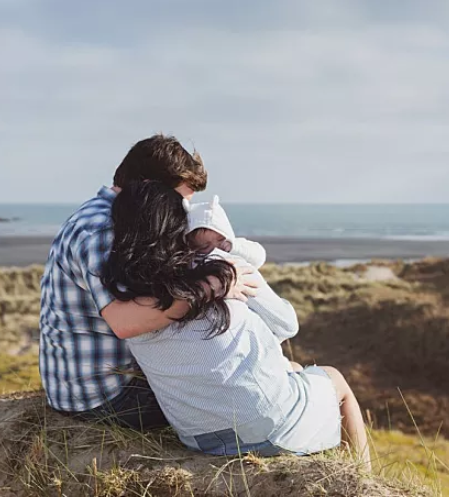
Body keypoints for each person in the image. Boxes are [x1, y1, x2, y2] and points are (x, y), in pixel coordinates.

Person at [106, 181, 372, 470]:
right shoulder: (219, 268)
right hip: (269, 427)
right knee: (336, 380)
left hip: (199, 437)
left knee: (293, 370)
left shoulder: (122, 296)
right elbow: (286, 324)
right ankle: (363, 480)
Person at [38, 135, 257, 430]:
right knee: (247, 399)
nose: (179, 213)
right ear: (149, 189)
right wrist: (211, 286)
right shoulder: (103, 229)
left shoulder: (101, 216)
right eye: (178, 201)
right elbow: (125, 321)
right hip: (107, 397)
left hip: (84, 388)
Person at [185, 195, 267, 268]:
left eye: (220, 240)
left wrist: (234, 248)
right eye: (205, 246)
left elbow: (259, 257)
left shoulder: (235, 248)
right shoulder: (193, 262)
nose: (215, 247)